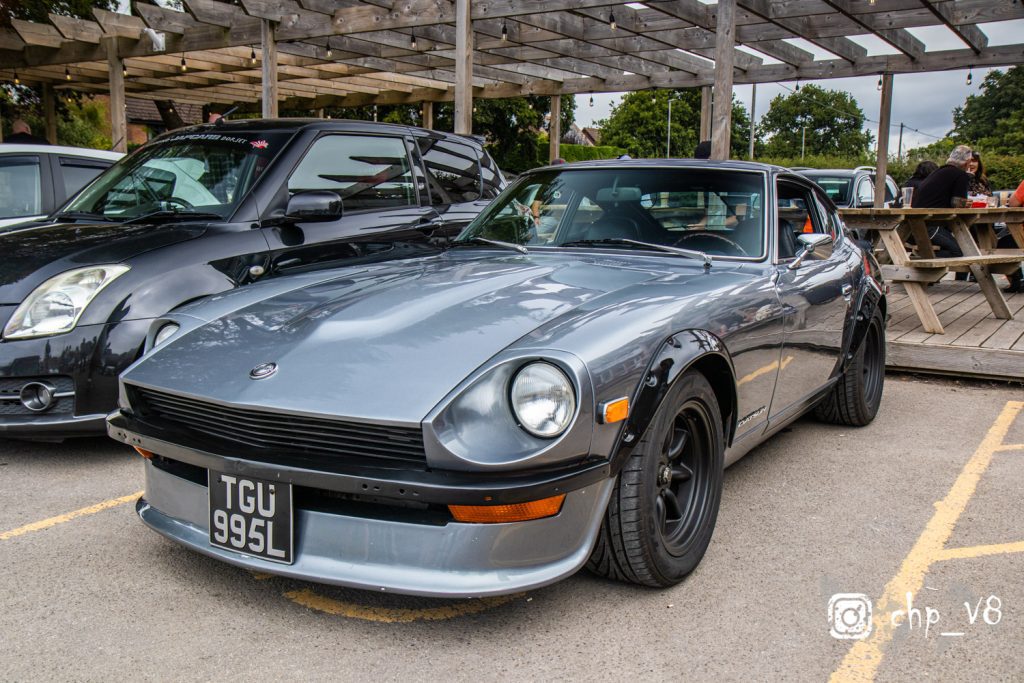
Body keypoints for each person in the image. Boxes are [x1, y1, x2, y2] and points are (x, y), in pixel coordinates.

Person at [911, 145, 974, 262]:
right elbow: (957, 205)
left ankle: (923, 257)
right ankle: (922, 258)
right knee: (958, 252)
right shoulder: (960, 175)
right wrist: (966, 203)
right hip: (929, 225)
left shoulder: (939, 171)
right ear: (967, 162)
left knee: (956, 248)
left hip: (916, 224)